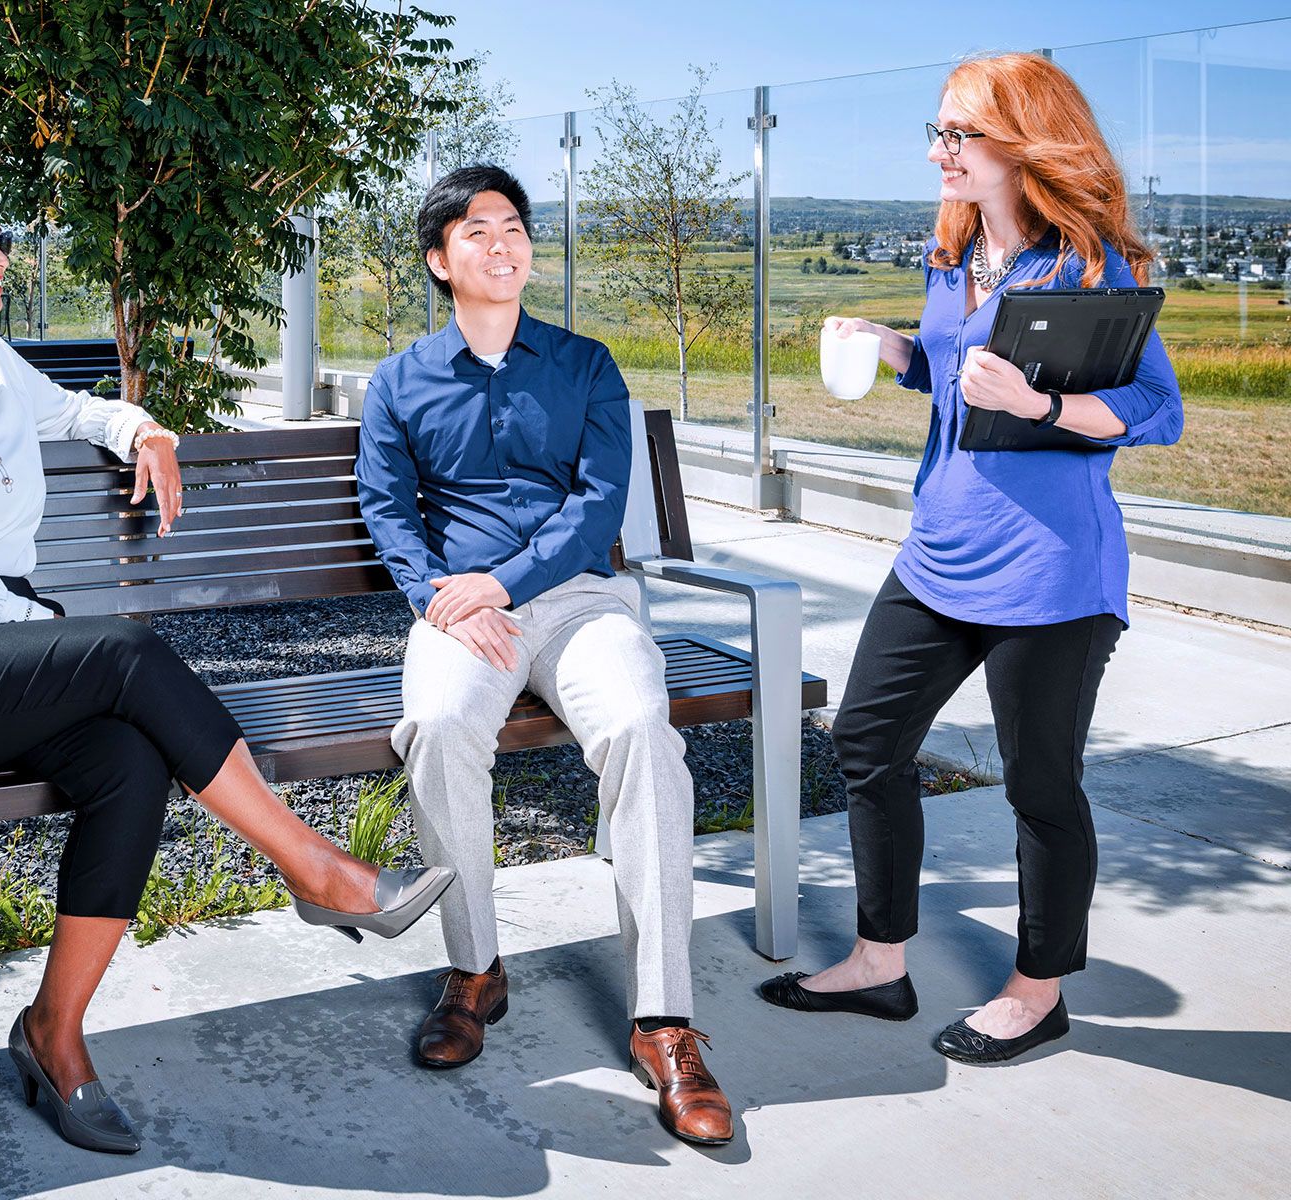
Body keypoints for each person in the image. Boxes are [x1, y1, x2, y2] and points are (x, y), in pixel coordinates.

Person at [0, 153, 453, 1155]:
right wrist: (35, 631)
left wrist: (141, 426)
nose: (0, 256)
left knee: (129, 759)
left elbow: (81, 410)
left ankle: (53, 1034)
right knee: (120, 653)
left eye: (2, 237)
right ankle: (320, 872)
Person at [759, 53, 1183, 1064]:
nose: (941, 152)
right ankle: (878, 960)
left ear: (1020, 143)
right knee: (866, 739)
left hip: (1049, 569)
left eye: (960, 135)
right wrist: (897, 348)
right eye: (937, 132)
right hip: (938, 550)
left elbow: (1154, 411)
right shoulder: (952, 258)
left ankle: (1039, 992)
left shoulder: (1090, 269)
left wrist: (1038, 405)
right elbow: (957, 381)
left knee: (1040, 783)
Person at [356, 164, 733, 1145]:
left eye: (514, 227)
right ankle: (474, 971)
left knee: (643, 729)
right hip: (458, 614)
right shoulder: (398, 383)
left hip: (576, 602)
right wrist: (440, 594)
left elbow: (593, 509)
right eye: (477, 231)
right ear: (441, 261)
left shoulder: (585, 364)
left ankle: (665, 1021)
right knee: (434, 725)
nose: (503, 244)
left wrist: (504, 584)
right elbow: (389, 514)